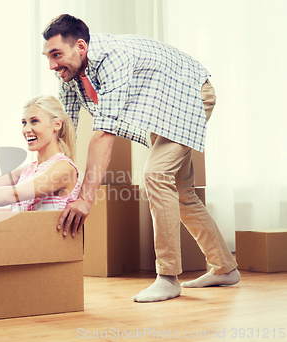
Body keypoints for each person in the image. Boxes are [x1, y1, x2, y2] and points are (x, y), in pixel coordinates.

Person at [41, 14, 240, 303]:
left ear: (80, 47)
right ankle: (225, 267)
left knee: (156, 175)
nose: (52, 65)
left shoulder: (112, 58)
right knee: (182, 194)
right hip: (160, 105)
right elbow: (66, 131)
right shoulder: (69, 76)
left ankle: (168, 277)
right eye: (47, 56)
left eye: (57, 54)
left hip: (191, 94)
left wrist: (85, 199)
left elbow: (103, 134)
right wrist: (49, 173)